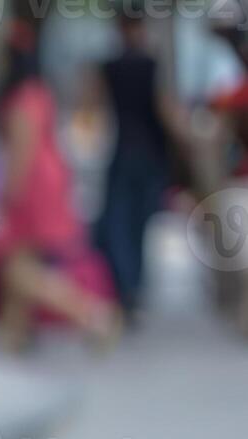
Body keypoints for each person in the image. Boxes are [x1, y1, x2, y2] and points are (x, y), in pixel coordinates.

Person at [0, 17, 123, 353]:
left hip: (32, 190)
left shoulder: (21, 99)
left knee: (18, 269)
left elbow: (21, 153)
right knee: (18, 265)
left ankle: (93, 314)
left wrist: (4, 197)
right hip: (48, 183)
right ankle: (13, 336)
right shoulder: (40, 92)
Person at [88, 1, 182, 318]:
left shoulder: (110, 66)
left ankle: (125, 287)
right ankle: (132, 288)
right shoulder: (152, 65)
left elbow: (91, 106)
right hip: (149, 156)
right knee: (138, 227)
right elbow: (166, 110)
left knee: (119, 224)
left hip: (123, 152)